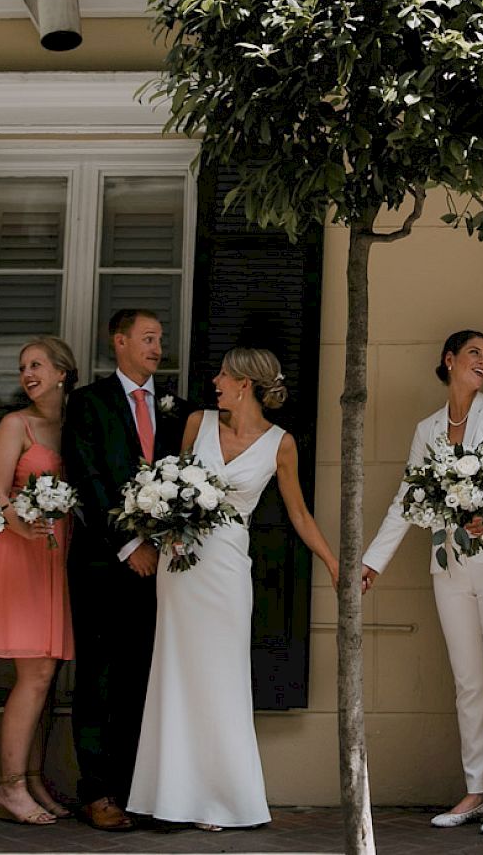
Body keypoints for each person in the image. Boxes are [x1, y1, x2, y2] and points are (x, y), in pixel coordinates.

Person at [127, 347, 338, 829]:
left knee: (222, 677)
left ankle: (221, 799)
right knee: (176, 672)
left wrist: (332, 562)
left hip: (225, 569)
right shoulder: (197, 422)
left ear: (245, 384)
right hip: (180, 565)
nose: (215, 380)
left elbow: (299, 514)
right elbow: (165, 485)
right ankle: (171, 796)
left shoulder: (281, 444)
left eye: (223, 373)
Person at [360, 331, 483, 835]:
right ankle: (477, 790)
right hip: (450, 566)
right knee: (467, 683)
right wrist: (374, 562)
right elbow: (406, 498)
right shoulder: (428, 429)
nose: (482, 361)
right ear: (450, 360)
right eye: (473, 353)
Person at [61, 308, 185, 831]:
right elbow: (87, 478)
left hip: (164, 567)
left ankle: (140, 790)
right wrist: (130, 543)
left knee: (143, 677)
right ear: (121, 342)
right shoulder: (89, 403)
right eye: (148, 338)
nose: (158, 347)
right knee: (99, 677)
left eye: (160, 339)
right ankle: (97, 791)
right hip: (103, 563)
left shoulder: (178, 408)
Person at [0, 336, 81, 825]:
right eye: (22, 368)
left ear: (63, 372)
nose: (27, 374)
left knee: (49, 675)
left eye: (36, 365)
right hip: (22, 554)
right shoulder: (14, 425)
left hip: (61, 559)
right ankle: (9, 787)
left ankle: (34, 779)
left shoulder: (75, 425)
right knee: (34, 674)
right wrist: (22, 523)